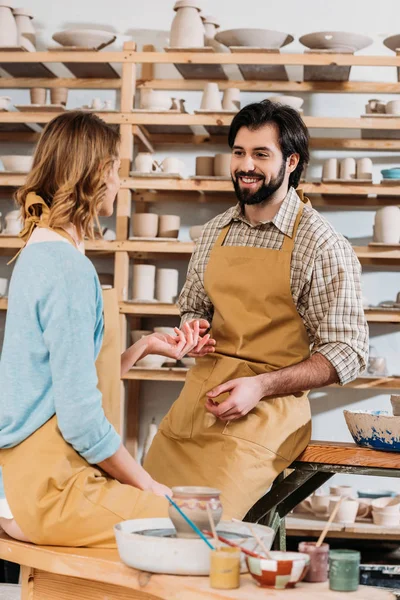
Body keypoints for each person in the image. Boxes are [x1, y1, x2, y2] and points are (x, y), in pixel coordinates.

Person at [144, 100, 369, 519]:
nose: (246, 165)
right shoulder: (214, 233)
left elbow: (349, 351)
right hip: (196, 405)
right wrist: (192, 328)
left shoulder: (320, 244)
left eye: (261, 154)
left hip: (264, 415)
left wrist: (261, 387)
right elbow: (196, 306)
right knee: (137, 518)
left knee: (204, 536)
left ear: (292, 162)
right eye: (239, 152)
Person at [0, 111, 214, 547]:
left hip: (16, 482)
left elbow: (55, 383)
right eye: (115, 169)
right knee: (193, 528)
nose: (119, 181)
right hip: (46, 490)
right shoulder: (68, 269)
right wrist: (147, 485)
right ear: (95, 174)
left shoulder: (38, 252)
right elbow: (79, 419)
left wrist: (143, 347)